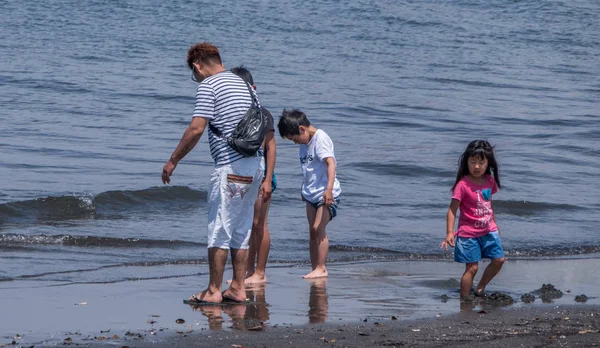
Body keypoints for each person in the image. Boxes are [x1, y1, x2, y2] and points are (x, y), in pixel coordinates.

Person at [161, 42, 264, 304]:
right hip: (255, 167)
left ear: (197, 66)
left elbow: (196, 129)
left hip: (231, 168)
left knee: (219, 229)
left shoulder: (209, 85)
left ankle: (214, 291)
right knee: (240, 229)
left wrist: (173, 160)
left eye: (193, 74)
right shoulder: (244, 84)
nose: (195, 80)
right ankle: (238, 288)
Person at [277, 109, 342, 279]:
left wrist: (328, 190)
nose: (295, 143)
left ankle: (321, 267)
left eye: (294, 138)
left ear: (302, 129)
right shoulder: (305, 144)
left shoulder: (320, 138)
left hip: (326, 193)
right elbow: (308, 169)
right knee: (312, 232)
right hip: (310, 194)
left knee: (318, 228)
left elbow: (331, 164)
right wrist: (303, 189)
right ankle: (315, 268)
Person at [440, 140, 505, 301]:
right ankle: (464, 298)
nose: (477, 166)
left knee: (499, 260)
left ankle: (481, 287)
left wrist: (495, 224)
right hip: (468, 234)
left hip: (489, 231)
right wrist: (449, 232)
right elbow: (452, 209)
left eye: (481, 162)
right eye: (473, 162)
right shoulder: (462, 185)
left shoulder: (490, 181)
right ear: (466, 162)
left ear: (488, 163)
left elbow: (489, 205)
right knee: (472, 268)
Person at [230, 66, 276, 284]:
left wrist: (267, 180)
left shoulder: (262, 113)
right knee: (244, 223)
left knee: (259, 223)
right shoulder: (233, 113)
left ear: (252, 88)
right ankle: (245, 273)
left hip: (263, 176)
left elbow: (272, 148)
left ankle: (260, 272)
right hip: (242, 174)